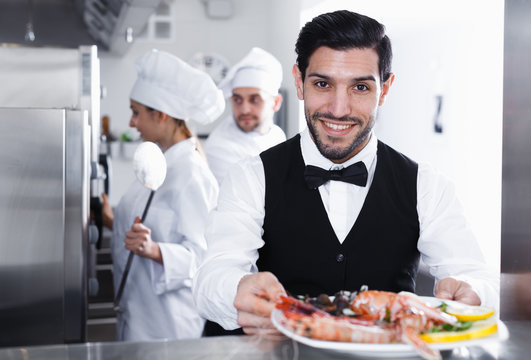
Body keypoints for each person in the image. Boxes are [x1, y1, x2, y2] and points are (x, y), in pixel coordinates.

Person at [192, 10, 500, 336]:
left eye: (360, 88)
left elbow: (479, 277)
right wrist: (235, 288)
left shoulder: (428, 186)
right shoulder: (251, 177)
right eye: (323, 84)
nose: (339, 109)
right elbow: (212, 277)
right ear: (299, 82)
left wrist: (472, 292)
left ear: (385, 89)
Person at [101, 49, 224, 341]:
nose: (132, 123)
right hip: (139, 315)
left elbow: (205, 258)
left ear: (161, 115)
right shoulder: (160, 164)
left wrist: (155, 250)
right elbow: (147, 227)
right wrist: (110, 219)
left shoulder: (192, 174)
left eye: (136, 112)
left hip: (167, 327)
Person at [204, 47, 286, 185]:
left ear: (276, 102)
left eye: (254, 99)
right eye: (237, 99)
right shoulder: (220, 147)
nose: (244, 109)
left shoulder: (277, 134)